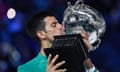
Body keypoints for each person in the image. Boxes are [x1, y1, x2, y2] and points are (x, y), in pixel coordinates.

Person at [17, 11, 99, 72]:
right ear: (41, 34)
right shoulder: (26, 69)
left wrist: (85, 57)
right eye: (54, 25)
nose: (61, 26)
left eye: (58, 23)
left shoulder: (76, 59)